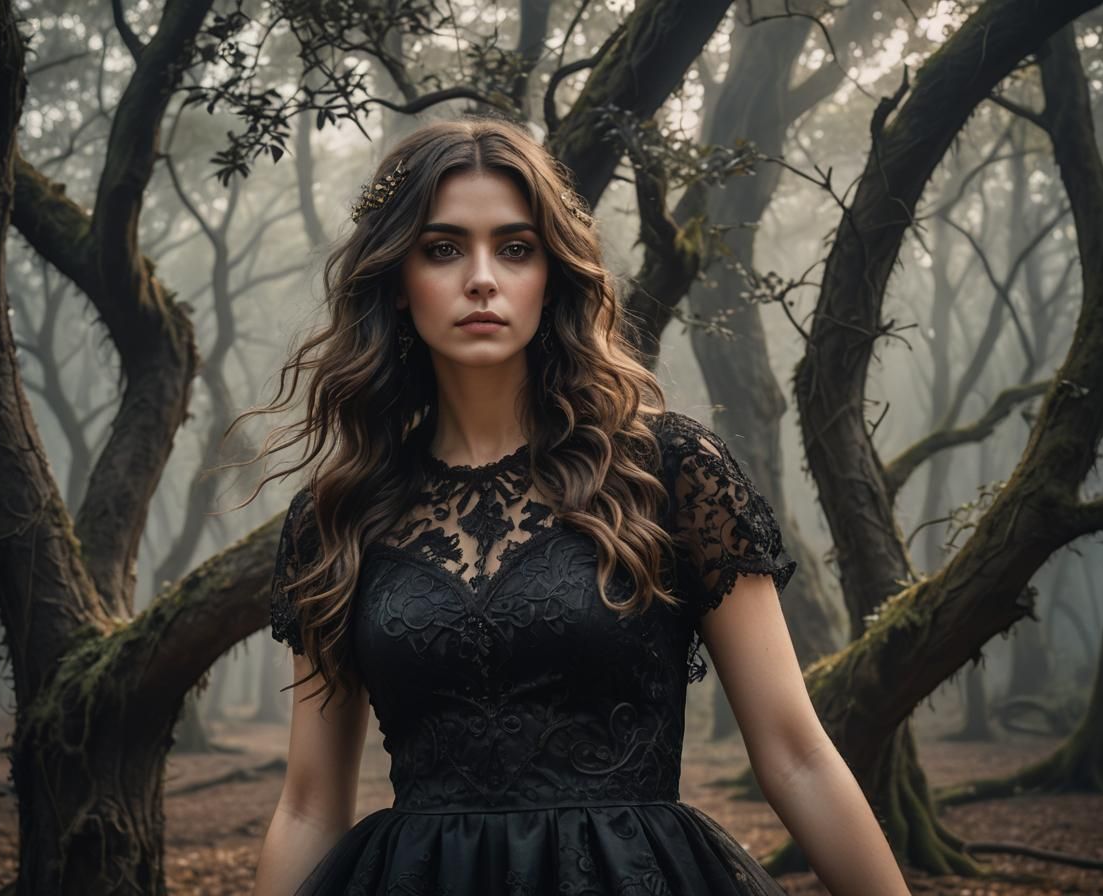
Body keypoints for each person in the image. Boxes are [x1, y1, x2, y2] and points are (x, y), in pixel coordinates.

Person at [250, 117, 909, 895]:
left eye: (516, 248)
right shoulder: (338, 516)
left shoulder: (666, 471)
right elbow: (307, 807)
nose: (483, 278)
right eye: (443, 248)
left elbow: (795, 754)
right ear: (398, 281)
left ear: (552, 274)